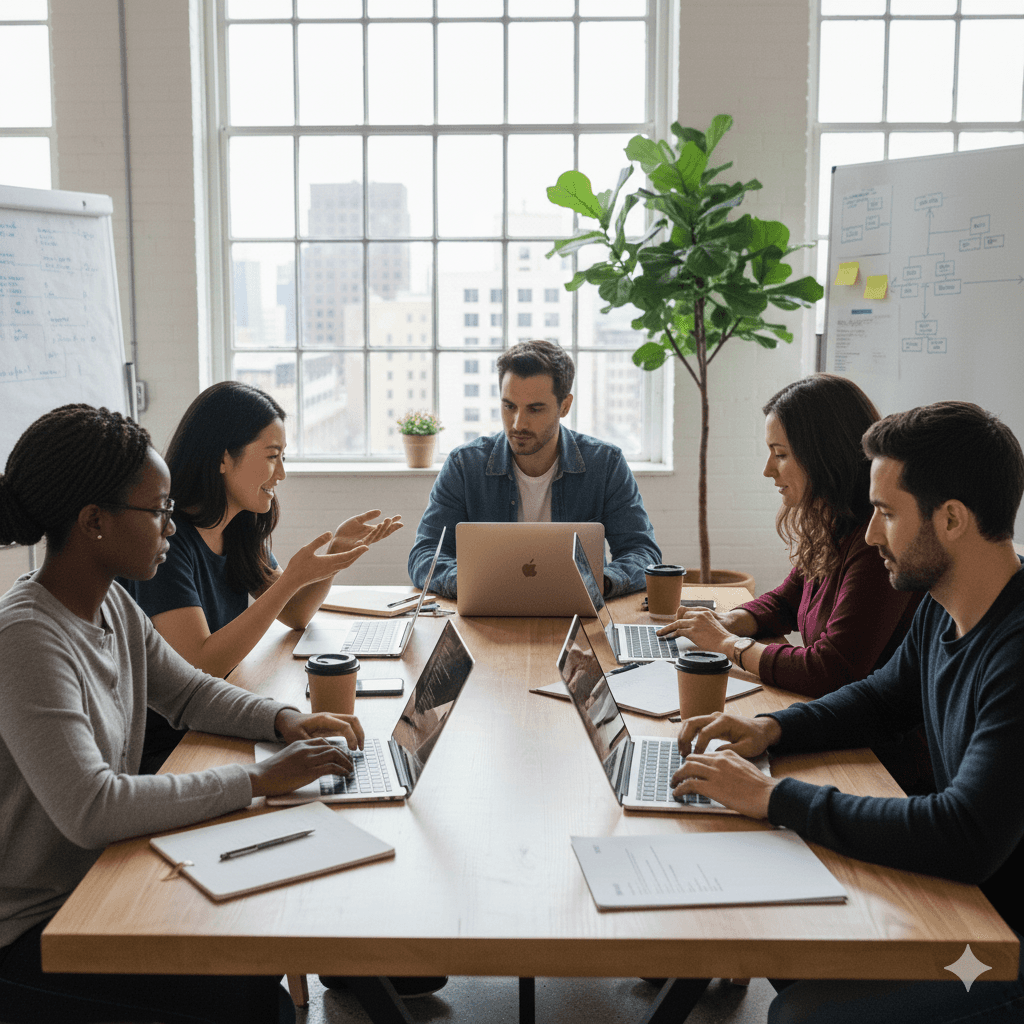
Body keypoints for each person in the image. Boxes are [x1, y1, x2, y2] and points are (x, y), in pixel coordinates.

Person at [0, 404, 364, 1024]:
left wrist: (283, 720)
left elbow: (191, 693)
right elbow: (93, 808)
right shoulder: (27, 638)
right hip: (39, 928)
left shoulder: (112, 603)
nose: (172, 525)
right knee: (252, 1002)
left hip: (106, 876)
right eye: (158, 510)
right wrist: (258, 778)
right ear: (93, 521)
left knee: (258, 943)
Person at [671, 401, 1024, 1023]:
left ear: (951, 519)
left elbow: (964, 835)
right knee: (784, 927)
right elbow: (881, 697)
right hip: (968, 901)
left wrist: (772, 797)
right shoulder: (944, 605)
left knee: (802, 1014)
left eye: (886, 513)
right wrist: (770, 728)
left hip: (1002, 943)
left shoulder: (1015, 652)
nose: (869, 534)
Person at [122, 381, 402, 772]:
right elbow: (199, 667)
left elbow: (295, 614)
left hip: (218, 719)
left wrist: (335, 554)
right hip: (174, 745)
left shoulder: (238, 529)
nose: (281, 473)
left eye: (283, 456)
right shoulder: (167, 544)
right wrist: (290, 581)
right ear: (223, 458)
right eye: (272, 456)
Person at [658, 373, 922, 699]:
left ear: (825, 455)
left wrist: (726, 644)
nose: (768, 469)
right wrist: (726, 621)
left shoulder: (876, 543)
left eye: (780, 454)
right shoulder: (832, 522)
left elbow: (829, 670)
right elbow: (787, 600)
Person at [407, 339, 661, 598]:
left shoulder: (605, 464)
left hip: (577, 613)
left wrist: (600, 583)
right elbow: (425, 555)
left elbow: (643, 552)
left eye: (535, 409)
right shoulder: (464, 465)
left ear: (564, 406)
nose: (518, 424)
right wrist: (472, 584)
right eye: (509, 406)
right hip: (487, 611)